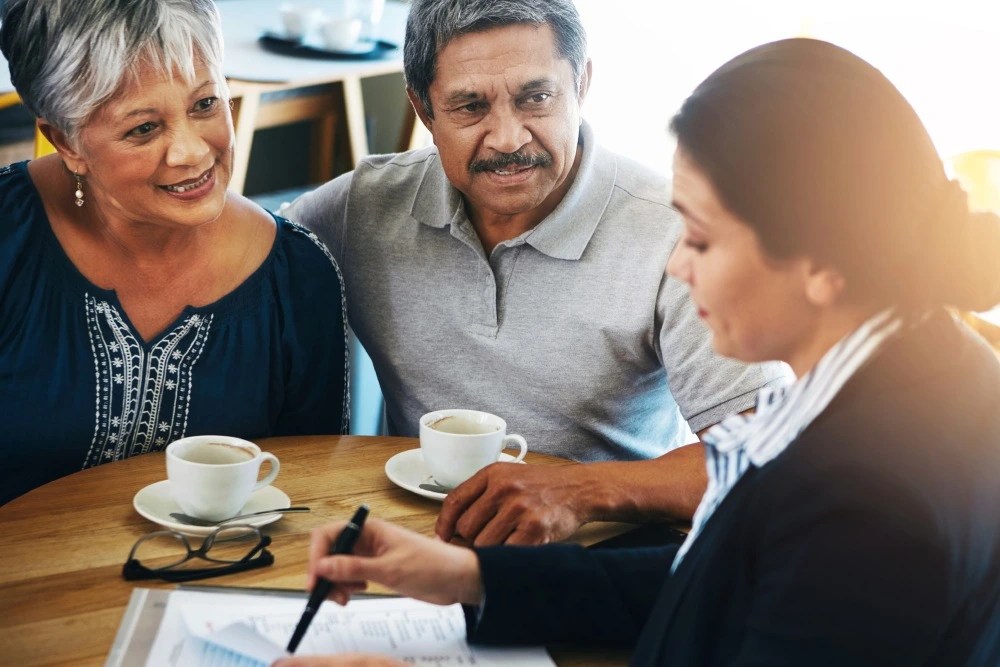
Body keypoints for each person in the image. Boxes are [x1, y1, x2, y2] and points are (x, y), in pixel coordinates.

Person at [274, 38, 1000, 667]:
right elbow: (710, 583)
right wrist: (470, 576)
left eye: (703, 238)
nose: (678, 264)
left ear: (820, 264)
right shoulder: (899, 372)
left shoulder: (873, 498)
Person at [283, 0, 788, 546]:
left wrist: (577, 491)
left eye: (537, 98)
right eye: (470, 107)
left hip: (604, 565)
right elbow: (246, 250)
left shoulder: (675, 232)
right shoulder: (366, 206)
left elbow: (769, 457)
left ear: (582, 85)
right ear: (423, 110)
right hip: (418, 547)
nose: (508, 138)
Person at [0, 0, 349, 506]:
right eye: (143, 128)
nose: (190, 152)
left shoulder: (300, 278)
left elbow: (310, 495)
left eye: (205, 104)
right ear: (65, 141)